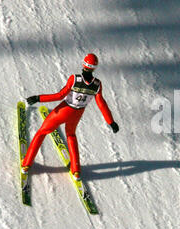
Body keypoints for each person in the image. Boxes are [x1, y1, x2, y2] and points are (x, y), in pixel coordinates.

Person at [21, 53, 119, 181]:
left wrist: (38, 98)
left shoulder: (75, 79)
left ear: (84, 64)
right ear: (94, 67)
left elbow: (59, 95)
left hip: (64, 110)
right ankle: (76, 170)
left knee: (42, 132)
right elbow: (101, 104)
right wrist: (111, 122)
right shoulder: (97, 84)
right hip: (78, 113)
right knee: (71, 135)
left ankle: (26, 164)